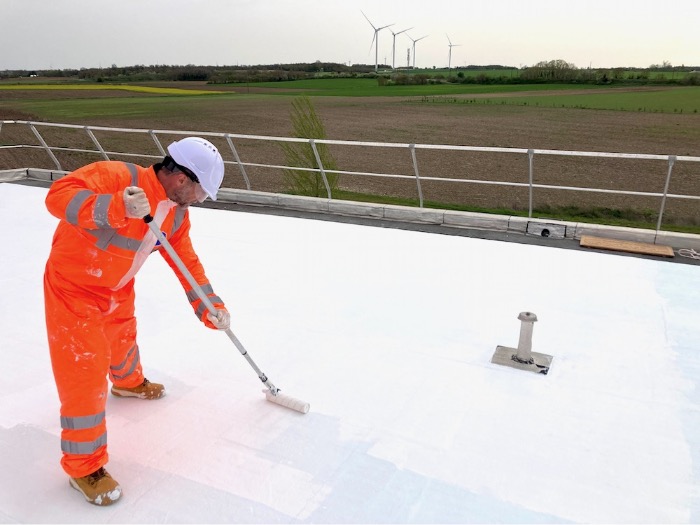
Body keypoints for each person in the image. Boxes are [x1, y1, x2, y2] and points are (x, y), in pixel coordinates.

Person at [43, 137, 232, 506]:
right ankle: (84, 467)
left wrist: (210, 306)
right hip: (74, 289)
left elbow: (186, 263)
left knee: (123, 338)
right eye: (201, 192)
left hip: (117, 287)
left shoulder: (176, 214)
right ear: (181, 180)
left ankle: (129, 383)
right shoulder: (116, 176)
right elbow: (57, 197)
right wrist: (116, 207)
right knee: (85, 371)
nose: (201, 199)